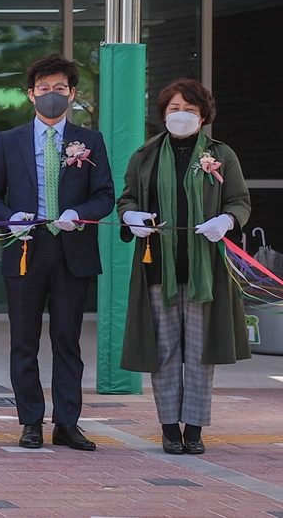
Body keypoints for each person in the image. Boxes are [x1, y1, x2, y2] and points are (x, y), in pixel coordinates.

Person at [0, 54, 115, 451]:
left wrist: (79, 213)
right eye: (44, 88)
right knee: (24, 342)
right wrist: (11, 218)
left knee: (67, 341)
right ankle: (30, 422)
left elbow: (105, 195)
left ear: (72, 94)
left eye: (60, 88)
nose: (51, 95)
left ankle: (67, 423)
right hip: (26, 248)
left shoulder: (90, 141)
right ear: (31, 94)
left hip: (72, 249)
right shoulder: (9, 140)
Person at [117, 79, 252, 455]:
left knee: (198, 353)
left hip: (203, 271)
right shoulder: (144, 154)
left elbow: (239, 201)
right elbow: (126, 198)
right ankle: (168, 428)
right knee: (164, 353)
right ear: (163, 114)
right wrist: (130, 215)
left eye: (190, 110)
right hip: (157, 266)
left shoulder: (221, 154)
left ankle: (193, 428)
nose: (181, 115)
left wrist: (226, 220)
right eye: (174, 109)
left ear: (203, 116)